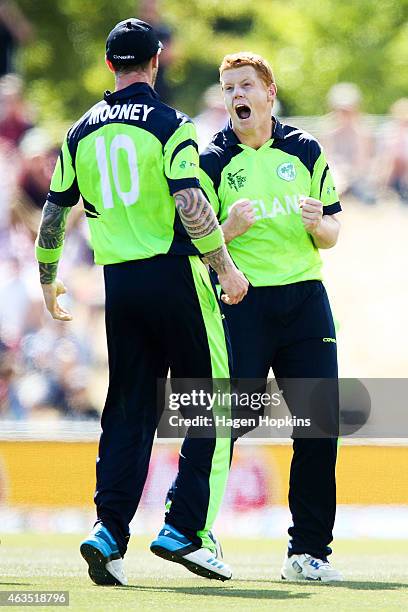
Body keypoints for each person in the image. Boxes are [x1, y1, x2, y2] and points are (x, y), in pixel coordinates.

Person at [35, 19, 248, 586]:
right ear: (156, 62)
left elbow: (55, 211)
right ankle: (183, 528)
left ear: (109, 64)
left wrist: (48, 278)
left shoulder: (79, 132)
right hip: (175, 277)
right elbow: (189, 201)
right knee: (210, 402)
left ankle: (108, 531)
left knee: (129, 410)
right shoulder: (171, 124)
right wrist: (224, 265)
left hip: (120, 287)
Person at [199, 52, 343, 582]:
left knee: (318, 426)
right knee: (229, 422)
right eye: (227, 86)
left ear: (268, 93)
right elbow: (194, 242)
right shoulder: (212, 158)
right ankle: (192, 530)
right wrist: (229, 228)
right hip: (243, 303)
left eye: (244, 85)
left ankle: (308, 554)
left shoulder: (304, 149)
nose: (235, 94)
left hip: (305, 300)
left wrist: (317, 225)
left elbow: (332, 233)